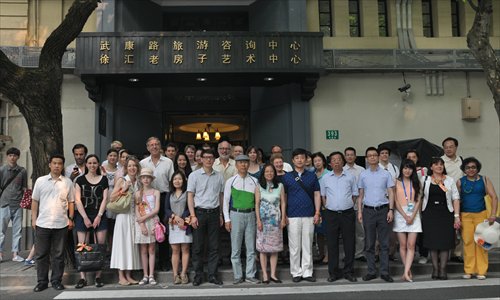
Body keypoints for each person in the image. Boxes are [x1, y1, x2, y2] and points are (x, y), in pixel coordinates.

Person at [31, 154, 74, 292]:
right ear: (49, 164)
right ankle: (42, 282)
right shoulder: (40, 181)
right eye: (54, 163)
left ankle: (56, 280)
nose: (57, 166)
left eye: (59, 163)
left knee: (58, 255)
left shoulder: (67, 182)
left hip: (61, 224)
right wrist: (33, 219)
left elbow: (71, 201)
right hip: (42, 223)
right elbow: (35, 201)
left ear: (62, 166)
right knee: (41, 254)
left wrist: (71, 218)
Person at [281, 148, 321, 282]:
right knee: (294, 246)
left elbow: (316, 194)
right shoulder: (287, 177)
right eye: (297, 158)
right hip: (292, 215)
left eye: (302, 158)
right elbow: (284, 197)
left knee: (307, 244)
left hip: (309, 214)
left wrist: (317, 212)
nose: (300, 160)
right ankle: (296, 272)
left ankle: (307, 272)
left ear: (306, 160)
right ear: (292, 160)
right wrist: (284, 214)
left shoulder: (312, 176)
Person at [187, 149, 225, 286]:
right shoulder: (194, 175)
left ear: (214, 159)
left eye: (211, 157)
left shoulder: (219, 176)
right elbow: (190, 195)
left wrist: (221, 214)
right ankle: (198, 275)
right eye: (206, 157)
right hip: (199, 213)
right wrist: (192, 216)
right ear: (201, 159)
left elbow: (221, 196)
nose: (208, 160)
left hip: (214, 213)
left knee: (214, 247)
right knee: (198, 247)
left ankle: (212, 275)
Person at [357, 147, 395, 283]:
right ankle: (371, 271)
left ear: (378, 157)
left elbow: (391, 192)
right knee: (369, 244)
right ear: (366, 158)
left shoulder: (386, 174)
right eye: (369, 156)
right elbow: (360, 195)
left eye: (374, 155)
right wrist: (360, 212)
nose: (372, 157)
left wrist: (391, 210)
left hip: (383, 210)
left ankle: (385, 272)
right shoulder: (363, 175)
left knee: (384, 243)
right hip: (368, 211)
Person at [457, 157, 498, 280]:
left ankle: (481, 271)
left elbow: (494, 197)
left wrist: (493, 215)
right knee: (468, 243)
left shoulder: (484, 180)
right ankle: (469, 270)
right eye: (468, 167)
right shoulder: (460, 181)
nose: (471, 170)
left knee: (481, 243)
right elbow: (456, 200)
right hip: (465, 216)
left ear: (477, 168)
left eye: (473, 167)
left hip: (482, 215)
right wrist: (457, 216)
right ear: (464, 169)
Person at [321, 151, 358, 283]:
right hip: (331, 214)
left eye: (338, 159)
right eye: (333, 160)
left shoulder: (350, 177)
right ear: (330, 163)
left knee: (349, 243)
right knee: (332, 244)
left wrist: (346, 205)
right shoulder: (326, 178)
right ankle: (333, 272)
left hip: (347, 213)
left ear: (343, 162)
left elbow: (354, 195)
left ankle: (349, 271)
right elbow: (323, 196)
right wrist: (330, 206)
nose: (336, 161)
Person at [421, 157, 460, 280]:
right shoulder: (425, 179)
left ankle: (443, 269)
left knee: (444, 243)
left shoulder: (449, 180)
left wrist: (456, 216)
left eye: (441, 164)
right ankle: (435, 268)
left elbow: (455, 198)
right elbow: (419, 196)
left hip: (446, 214)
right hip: (429, 214)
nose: (439, 166)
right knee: (433, 243)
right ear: (431, 167)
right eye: (436, 164)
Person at [223, 154, 259, 284]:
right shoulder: (231, 181)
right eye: (240, 163)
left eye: (245, 162)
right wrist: (227, 220)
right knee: (236, 248)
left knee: (251, 248)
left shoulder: (255, 181)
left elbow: (257, 202)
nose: (243, 165)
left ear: (248, 164)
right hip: (235, 215)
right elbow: (225, 202)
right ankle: (238, 275)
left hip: (251, 215)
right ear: (236, 165)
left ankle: (250, 275)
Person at [74, 155, 109, 289]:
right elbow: (77, 200)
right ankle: (82, 278)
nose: (92, 165)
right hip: (83, 215)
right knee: (82, 246)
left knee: (100, 246)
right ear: (86, 164)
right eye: (90, 163)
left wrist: (99, 216)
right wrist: (85, 217)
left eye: (94, 163)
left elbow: (105, 199)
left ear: (98, 164)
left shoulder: (104, 179)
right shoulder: (80, 179)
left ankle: (98, 276)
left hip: (100, 214)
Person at [140, 137, 174, 271]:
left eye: (156, 144)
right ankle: (149, 263)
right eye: (151, 145)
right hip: (147, 199)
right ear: (147, 148)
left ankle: (164, 261)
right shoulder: (143, 163)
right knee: (149, 229)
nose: (154, 147)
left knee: (163, 229)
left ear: (160, 147)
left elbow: (172, 182)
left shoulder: (168, 162)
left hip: (164, 197)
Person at [109, 156, 141, 286]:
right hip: (123, 217)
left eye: (134, 166)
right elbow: (111, 198)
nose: (132, 168)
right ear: (126, 168)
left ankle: (128, 275)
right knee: (122, 246)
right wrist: (124, 189)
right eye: (130, 166)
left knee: (131, 247)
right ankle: (121, 276)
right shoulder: (122, 180)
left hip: (134, 217)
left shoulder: (139, 182)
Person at [255, 164, 286, 284]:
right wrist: (258, 220)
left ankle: (273, 274)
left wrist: (283, 218)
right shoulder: (259, 186)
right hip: (263, 221)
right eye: (266, 171)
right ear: (263, 173)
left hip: (276, 221)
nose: (269, 173)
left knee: (274, 248)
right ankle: (265, 275)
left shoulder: (280, 186)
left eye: (271, 171)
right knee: (263, 249)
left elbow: (283, 203)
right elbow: (256, 204)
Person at [393, 159, 422, 282]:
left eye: (410, 168)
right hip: (400, 214)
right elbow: (395, 201)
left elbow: (419, 200)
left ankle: (405, 272)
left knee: (411, 245)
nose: (407, 170)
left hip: (414, 214)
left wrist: (412, 215)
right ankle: (407, 271)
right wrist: (405, 216)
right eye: (405, 168)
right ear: (401, 169)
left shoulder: (417, 182)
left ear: (413, 170)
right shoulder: (396, 182)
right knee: (403, 245)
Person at [0, 147, 27, 263]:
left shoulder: (22, 171)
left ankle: (15, 254)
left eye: (15, 155)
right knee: (1, 230)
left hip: (18, 204)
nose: (12, 157)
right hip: (4, 204)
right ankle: (0, 254)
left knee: (18, 230)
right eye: (10, 155)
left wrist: (25, 200)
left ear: (18, 157)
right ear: (7, 156)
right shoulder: (2, 170)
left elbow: (24, 187)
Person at [165, 171, 192, 285]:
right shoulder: (169, 194)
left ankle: (183, 273)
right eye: (175, 179)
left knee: (185, 249)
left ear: (184, 180)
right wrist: (174, 216)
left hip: (185, 224)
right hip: (173, 225)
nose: (177, 181)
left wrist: (182, 219)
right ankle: (175, 274)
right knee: (175, 250)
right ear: (172, 181)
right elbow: (166, 209)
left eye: (180, 179)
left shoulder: (187, 193)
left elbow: (189, 208)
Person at [134, 168, 160, 286]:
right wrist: (142, 224)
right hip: (141, 223)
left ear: (151, 179)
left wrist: (144, 219)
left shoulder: (156, 192)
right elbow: (137, 210)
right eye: (143, 177)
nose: (145, 179)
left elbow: (156, 209)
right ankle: (145, 275)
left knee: (152, 249)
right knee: (143, 250)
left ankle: (151, 275)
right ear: (140, 179)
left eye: (148, 177)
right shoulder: (137, 193)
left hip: (152, 220)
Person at [441, 137, 465, 263]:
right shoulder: (441, 162)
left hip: (460, 199)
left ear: (456, 147)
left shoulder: (461, 160)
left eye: (451, 146)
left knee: (460, 225)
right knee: (446, 227)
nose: (448, 149)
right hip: (446, 198)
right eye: (446, 147)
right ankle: (444, 252)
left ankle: (457, 253)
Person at [405, 149, 428, 264]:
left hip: (422, 202)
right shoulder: (404, 171)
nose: (411, 159)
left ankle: (423, 254)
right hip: (408, 204)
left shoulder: (423, 171)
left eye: (414, 157)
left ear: (417, 158)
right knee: (410, 228)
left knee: (421, 229)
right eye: (409, 157)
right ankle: (411, 254)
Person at [343, 147, 366, 262]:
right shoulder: (341, 170)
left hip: (359, 205)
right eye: (347, 155)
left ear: (355, 156)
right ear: (345, 157)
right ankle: (348, 254)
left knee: (360, 231)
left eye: (352, 155)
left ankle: (359, 253)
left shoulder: (362, 170)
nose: (350, 157)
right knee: (347, 232)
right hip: (346, 205)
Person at [311, 152, 328, 265]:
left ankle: (328, 255)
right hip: (315, 207)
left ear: (323, 161)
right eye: (315, 161)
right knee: (319, 233)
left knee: (327, 233)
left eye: (319, 160)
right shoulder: (312, 174)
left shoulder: (329, 174)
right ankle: (321, 254)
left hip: (326, 206)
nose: (317, 163)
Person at [101, 149, 119, 249]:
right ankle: (106, 249)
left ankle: (113, 249)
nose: (112, 157)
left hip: (116, 196)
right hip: (105, 195)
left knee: (113, 225)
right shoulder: (102, 169)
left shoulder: (120, 169)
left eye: (115, 156)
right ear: (107, 157)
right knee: (105, 224)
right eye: (110, 155)